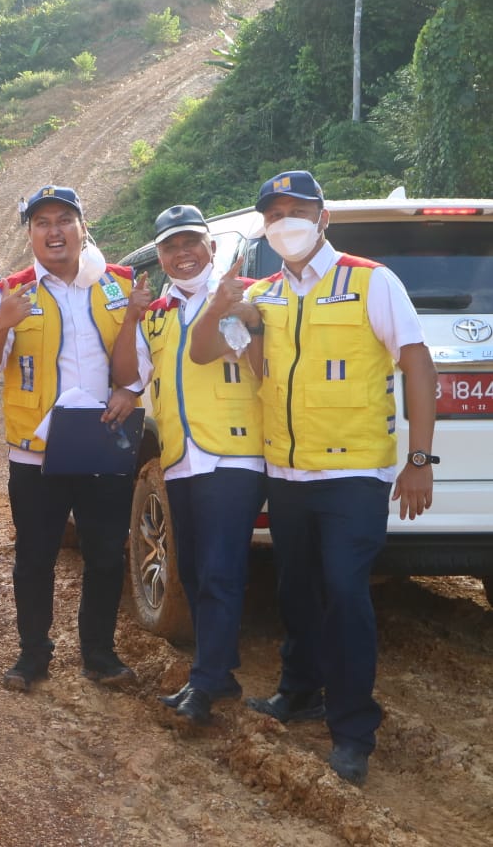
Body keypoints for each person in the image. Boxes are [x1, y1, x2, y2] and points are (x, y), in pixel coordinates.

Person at [192, 170, 437, 785]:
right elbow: (218, 353)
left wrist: (419, 460)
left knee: (345, 592)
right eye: (274, 215)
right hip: (287, 472)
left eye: (297, 210)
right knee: (295, 590)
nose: (286, 223)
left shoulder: (371, 281)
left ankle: (353, 729)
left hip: (354, 473)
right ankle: (300, 690)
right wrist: (228, 310)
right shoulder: (265, 294)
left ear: (323, 218)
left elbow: (417, 363)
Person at [0, 185, 141, 692]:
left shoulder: (119, 284)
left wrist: (129, 390)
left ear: (83, 227)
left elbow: (141, 358)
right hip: (35, 453)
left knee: (105, 554)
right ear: (31, 235)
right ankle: (32, 656)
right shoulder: (12, 291)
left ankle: (100, 655)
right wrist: (2, 324)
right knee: (34, 558)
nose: (54, 231)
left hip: (102, 442)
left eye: (64, 219)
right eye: (42, 223)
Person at [109, 206, 265, 726]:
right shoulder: (156, 314)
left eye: (191, 242)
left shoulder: (242, 297)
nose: (182, 254)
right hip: (180, 458)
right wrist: (131, 316)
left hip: (235, 454)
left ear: (211, 248)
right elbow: (130, 376)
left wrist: (232, 312)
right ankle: (219, 673)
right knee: (194, 570)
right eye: (171, 247)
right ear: (160, 257)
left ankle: (206, 680)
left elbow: (250, 358)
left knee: (220, 568)